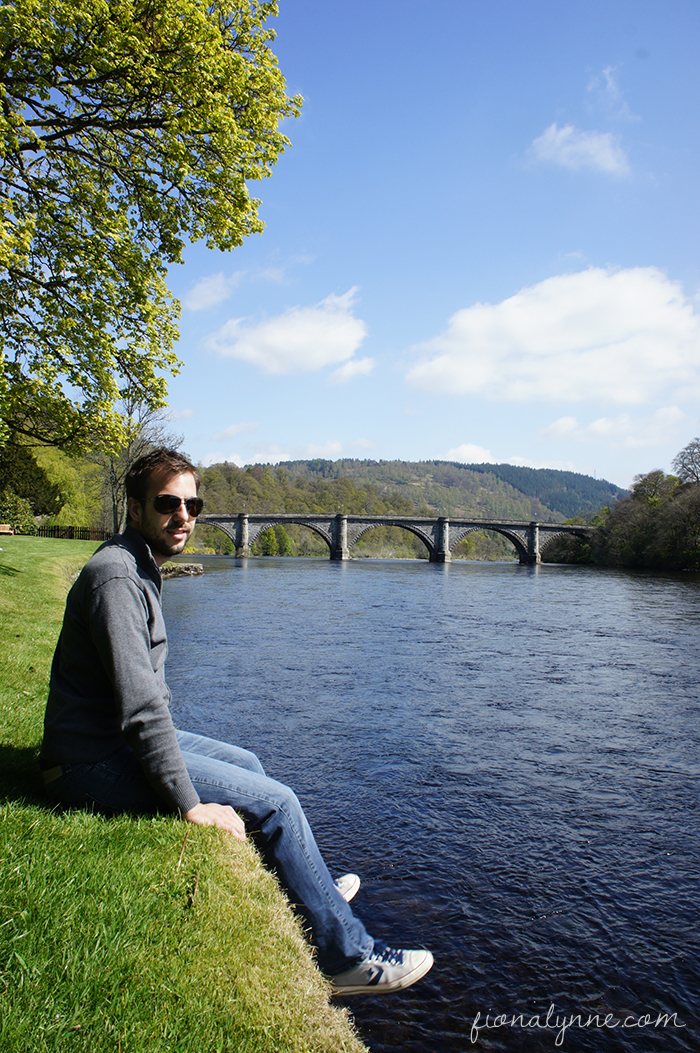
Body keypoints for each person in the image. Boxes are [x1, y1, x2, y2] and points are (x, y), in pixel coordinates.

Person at [40, 447, 433, 996]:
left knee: (248, 763)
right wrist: (188, 803)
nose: (184, 515)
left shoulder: (138, 563)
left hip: (108, 739)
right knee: (279, 802)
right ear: (134, 507)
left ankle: (306, 889)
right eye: (168, 503)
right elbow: (142, 707)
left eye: (193, 504)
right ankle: (349, 959)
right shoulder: (116, 577)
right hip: (88, 761)